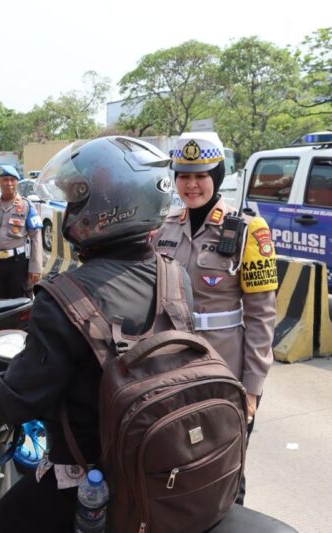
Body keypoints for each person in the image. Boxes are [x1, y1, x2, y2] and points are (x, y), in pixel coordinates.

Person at [0, 137, 177, 531]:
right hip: (160, 459)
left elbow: (16, 400)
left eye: (78, 198)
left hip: (87, 474)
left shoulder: (64, 297)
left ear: (110, 207)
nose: (69, 209)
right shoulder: (174, 277)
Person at [154, 135, 277, 504]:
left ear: (218, 175)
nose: (191, 184)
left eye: (202, 175)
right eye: (184, 175)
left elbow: (261, 318)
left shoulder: (249, 231)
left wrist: (252, 389)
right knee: (179, 465)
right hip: (173, 369)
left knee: (225, 470)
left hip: (225, 372)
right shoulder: (165, 229)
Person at [0, 164, 43, 301]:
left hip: (19, 264)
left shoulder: (27, 206)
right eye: (5, 179)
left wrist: (36, 267)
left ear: (17, 182)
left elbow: (36, 238)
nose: (9, 183)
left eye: (13, 179)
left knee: (20, 308)